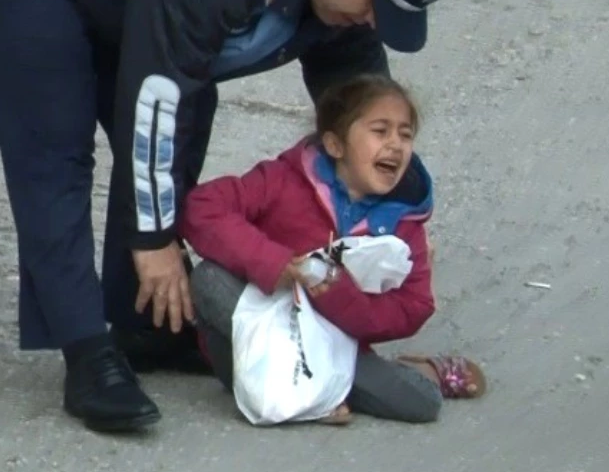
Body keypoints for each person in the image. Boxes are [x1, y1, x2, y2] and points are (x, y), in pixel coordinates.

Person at [0, 0, 468, 433]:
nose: (370, 22)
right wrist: (154, 239)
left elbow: (362, 111)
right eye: (375, 5)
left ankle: (144, 325)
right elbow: (157, 95)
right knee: (55, 140)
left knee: (188, 114)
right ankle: (87, 352)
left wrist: (401, 211)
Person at [179, 73, 486, 425]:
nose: (396, 144)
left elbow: (414, 306)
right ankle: (312, 398)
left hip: (332, 342)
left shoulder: (403, 222)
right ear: (336, 145)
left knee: (420, 403)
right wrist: (274, 263)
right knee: (208, 279)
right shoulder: (284, 180)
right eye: (380, 130)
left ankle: (421, 372)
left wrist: (340, 298)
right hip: (263, 330)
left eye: (405, 134)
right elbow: (203, 207)